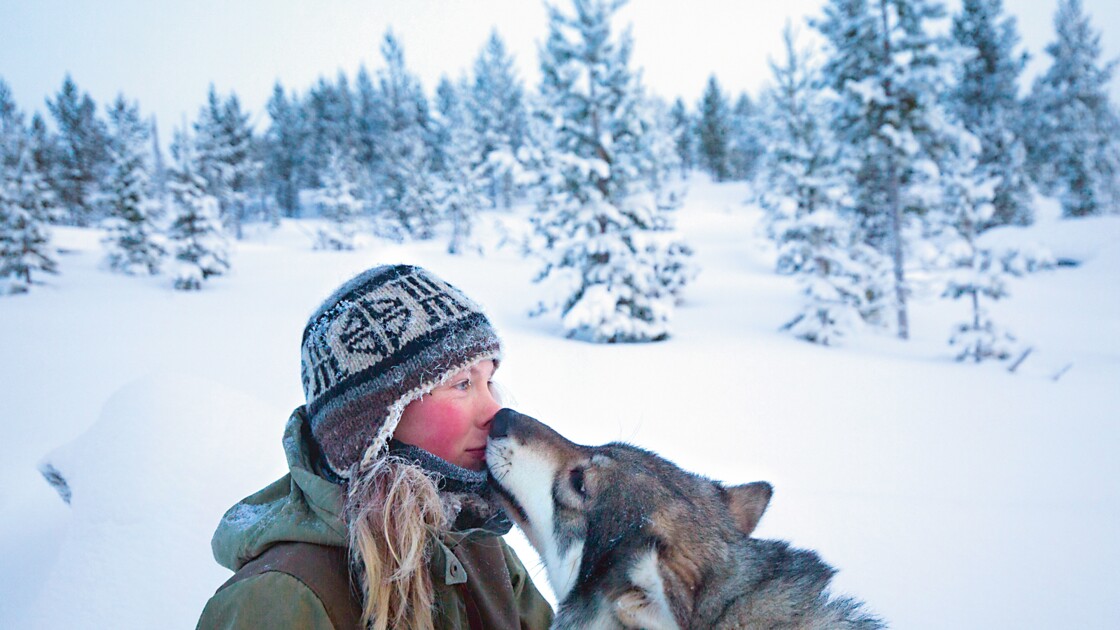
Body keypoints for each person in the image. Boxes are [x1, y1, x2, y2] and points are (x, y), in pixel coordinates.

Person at [197, 264, 553, 630]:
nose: (494, 412)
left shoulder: (476, 543)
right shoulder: (279, 601)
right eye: (462, 383)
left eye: (488, 381)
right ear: (373, 423)